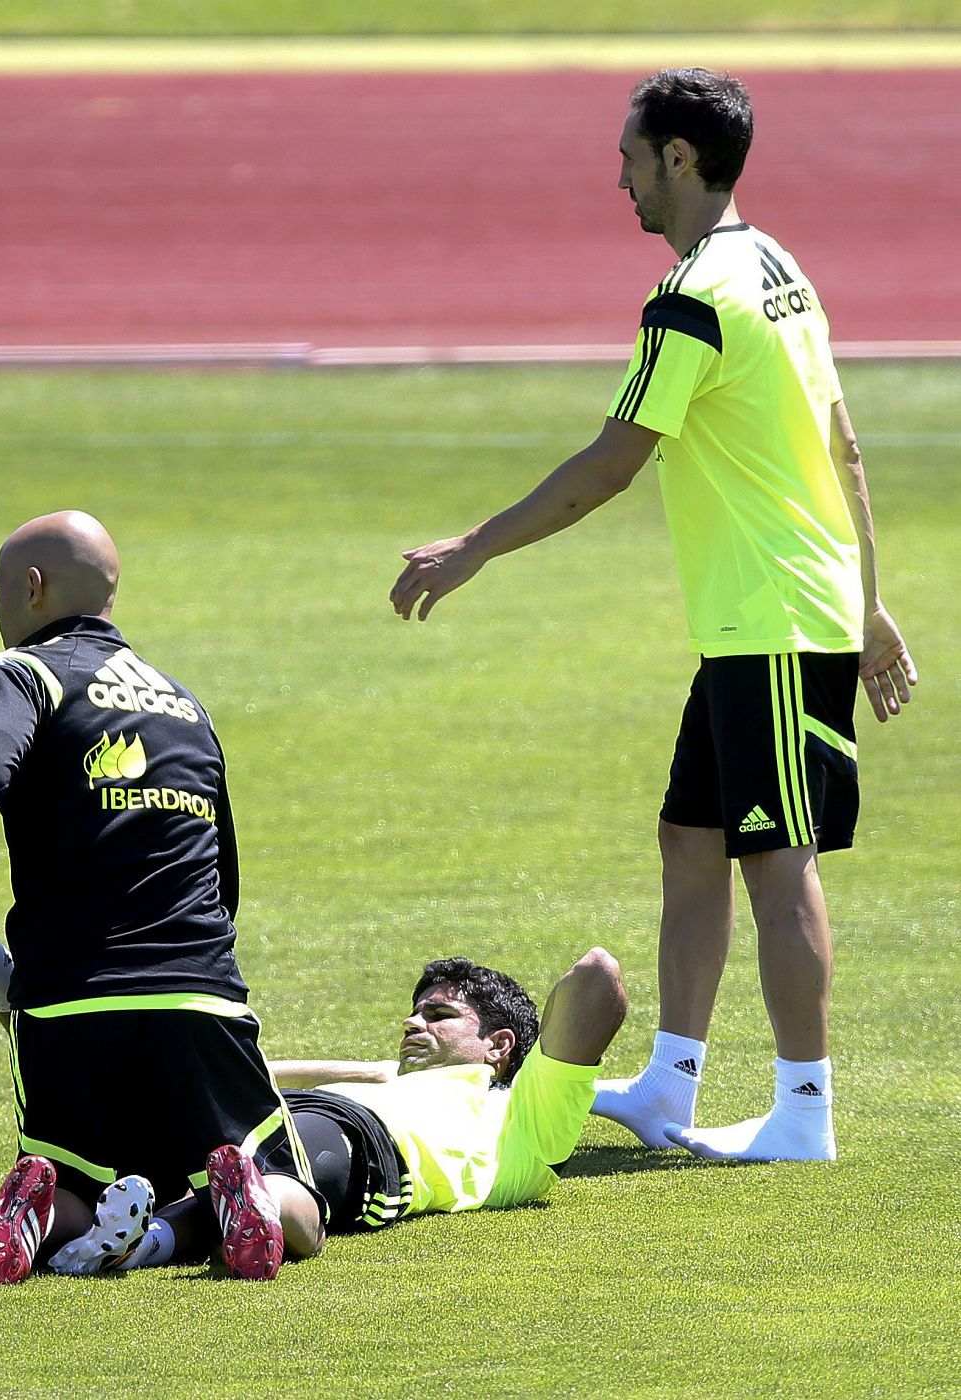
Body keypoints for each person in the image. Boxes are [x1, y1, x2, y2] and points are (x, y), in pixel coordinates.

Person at [389, 69, 917, 1163]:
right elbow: (843, 439)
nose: (619, 177)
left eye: (630, 156)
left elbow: (611, 463)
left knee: (778, 858)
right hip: (761, 612)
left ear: (678, 158)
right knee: (693, 836)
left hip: (772, 613)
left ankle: (801, 1112)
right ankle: (671, 1083)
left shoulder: (692, 296)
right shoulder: (776, 267)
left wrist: (473, 545)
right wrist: (865, 602)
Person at [0, 510, 324, 1284]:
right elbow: (223, 876)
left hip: (67, 1004)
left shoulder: (23, 673)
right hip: (197, 998)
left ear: (34, 588)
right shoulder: (185, 704)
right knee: (292, 1195)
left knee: (78, 1181)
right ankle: (251, 1199)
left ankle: (32, 1214)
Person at [0, 890, 627, 1272]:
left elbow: (596, 977)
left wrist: (530, 1064)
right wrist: (377, 1067)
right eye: (413, 1012)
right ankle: (48, 1224)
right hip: (263, 1123)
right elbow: (242, 1073)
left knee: (269, 1167)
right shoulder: (383, 1079)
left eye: (438, 1015)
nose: (412, 1022)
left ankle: (132, 1231)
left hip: (357, 1145)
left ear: (498, 1045)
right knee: (177, 1149)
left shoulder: (529, 1119)